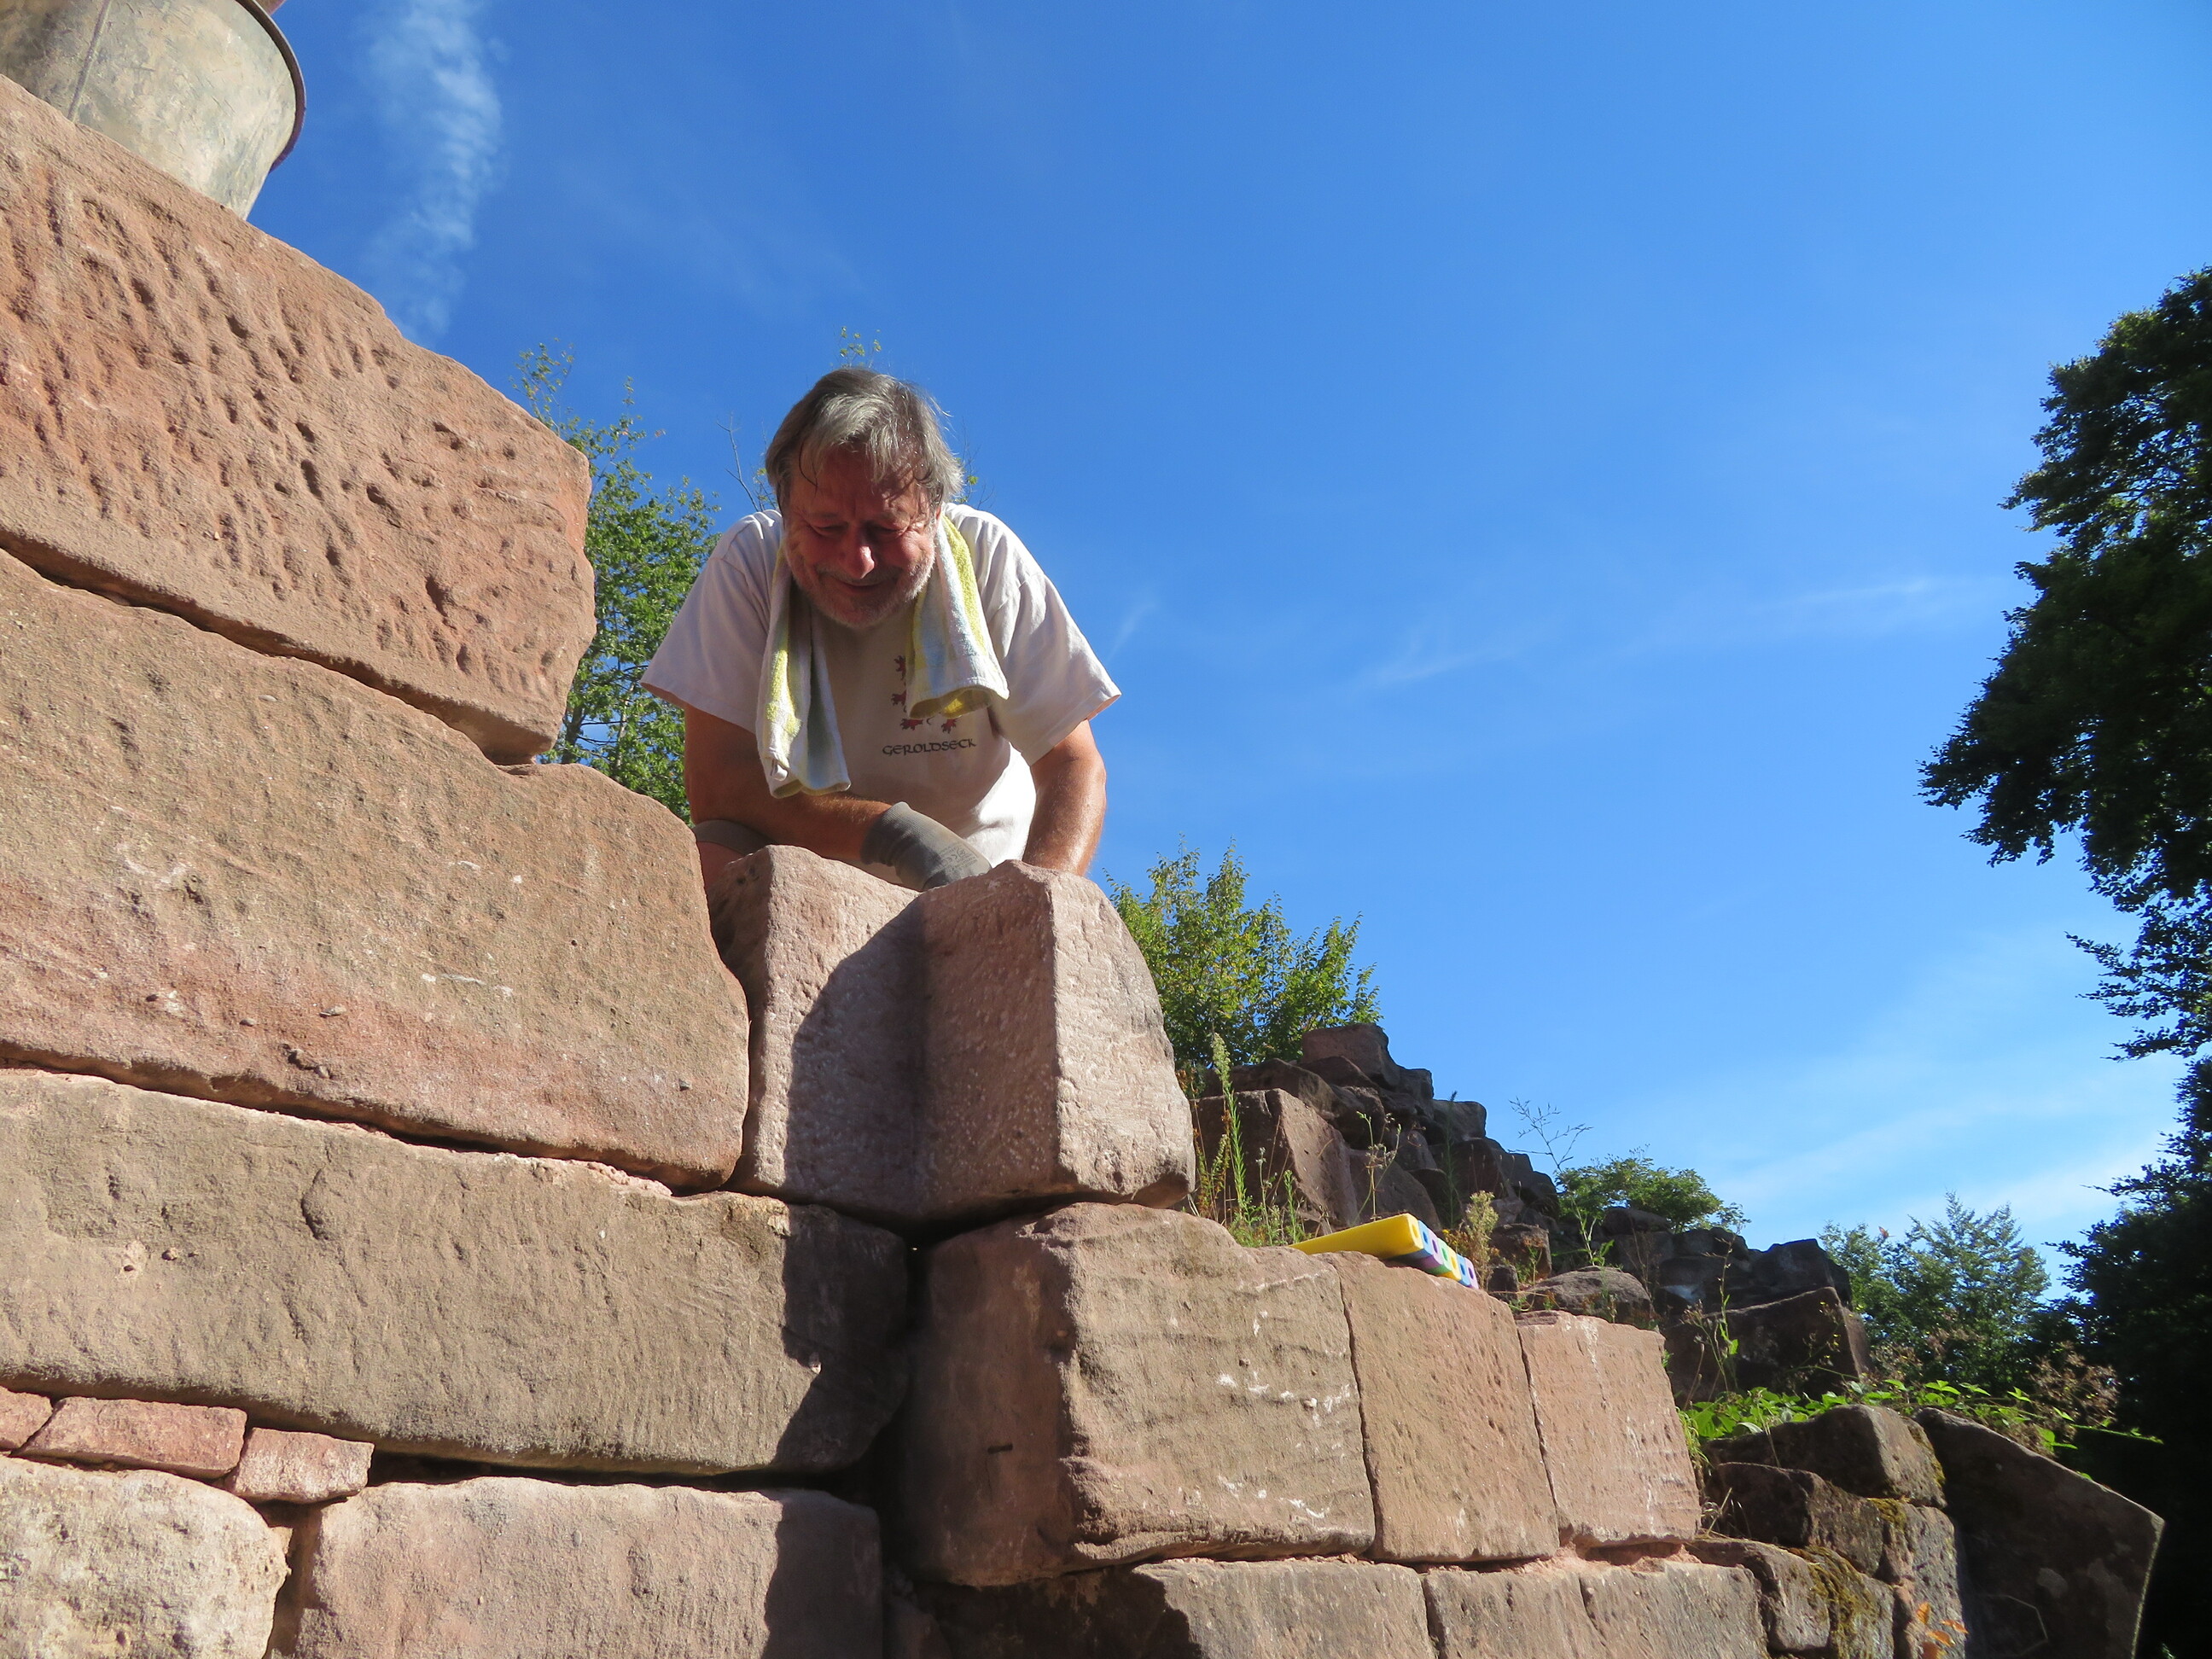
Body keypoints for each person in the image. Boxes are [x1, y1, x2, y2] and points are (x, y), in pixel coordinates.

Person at [643, 368, 1118, 893]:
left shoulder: (987, 556)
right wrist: (900, 835)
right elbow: (719, 784)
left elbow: (1072, 764)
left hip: (981, 883)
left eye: (886, 529)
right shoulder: (749, 562)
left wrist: (1035, 902)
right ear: (784, 509)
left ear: (934, 513)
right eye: (825, 528)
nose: (858, 561)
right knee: (710, 853)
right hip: (809, 876)